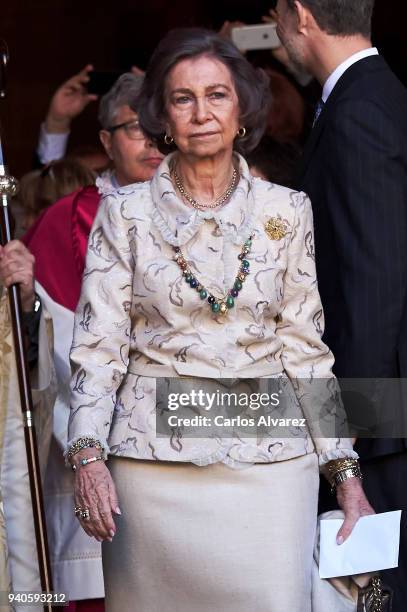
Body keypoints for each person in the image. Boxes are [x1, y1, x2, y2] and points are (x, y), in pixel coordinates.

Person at [66, 28, 373, 612]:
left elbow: (305, 348)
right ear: (163, 115)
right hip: (151, 469)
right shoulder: (123, 214)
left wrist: (347, 477)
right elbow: (97, 346)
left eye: (218, 95)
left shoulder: (287, 210)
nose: (201, 113)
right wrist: (88, 458)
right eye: (183, 98)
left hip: (270, 464)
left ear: (243, 111)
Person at [0, 72, 163, 609]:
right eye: (138, 128)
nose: (155, 141)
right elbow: (37, 344)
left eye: (162, 126)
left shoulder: (212, 209)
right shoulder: (67, 220)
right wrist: (30, 302)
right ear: (106, 142)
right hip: (97, 449)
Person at [274, 0, 407, 608]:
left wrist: (351, 431)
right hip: (385, 404)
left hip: (380, 412)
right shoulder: (373, 95)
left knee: (378, 588)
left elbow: (372, 273)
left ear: (300, 14)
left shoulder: (358, 109)